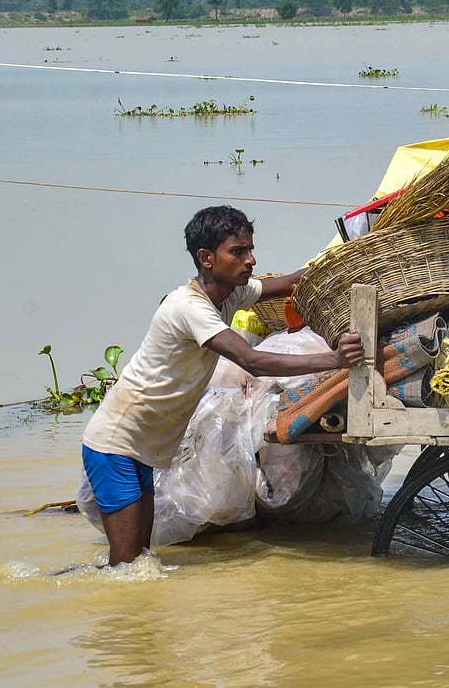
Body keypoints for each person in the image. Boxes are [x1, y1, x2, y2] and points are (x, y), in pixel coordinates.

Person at [81, 205, 365, 565]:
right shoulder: (189, 306)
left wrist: (350, 256)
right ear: (206, 258)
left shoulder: (231, 294)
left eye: (250, 249)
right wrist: (334, 360)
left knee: (140, 563)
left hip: (143, 447)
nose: (251, 260)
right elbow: (252, 360)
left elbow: (292, 281)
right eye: (238, 252)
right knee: (125, 566)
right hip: (115, 444)